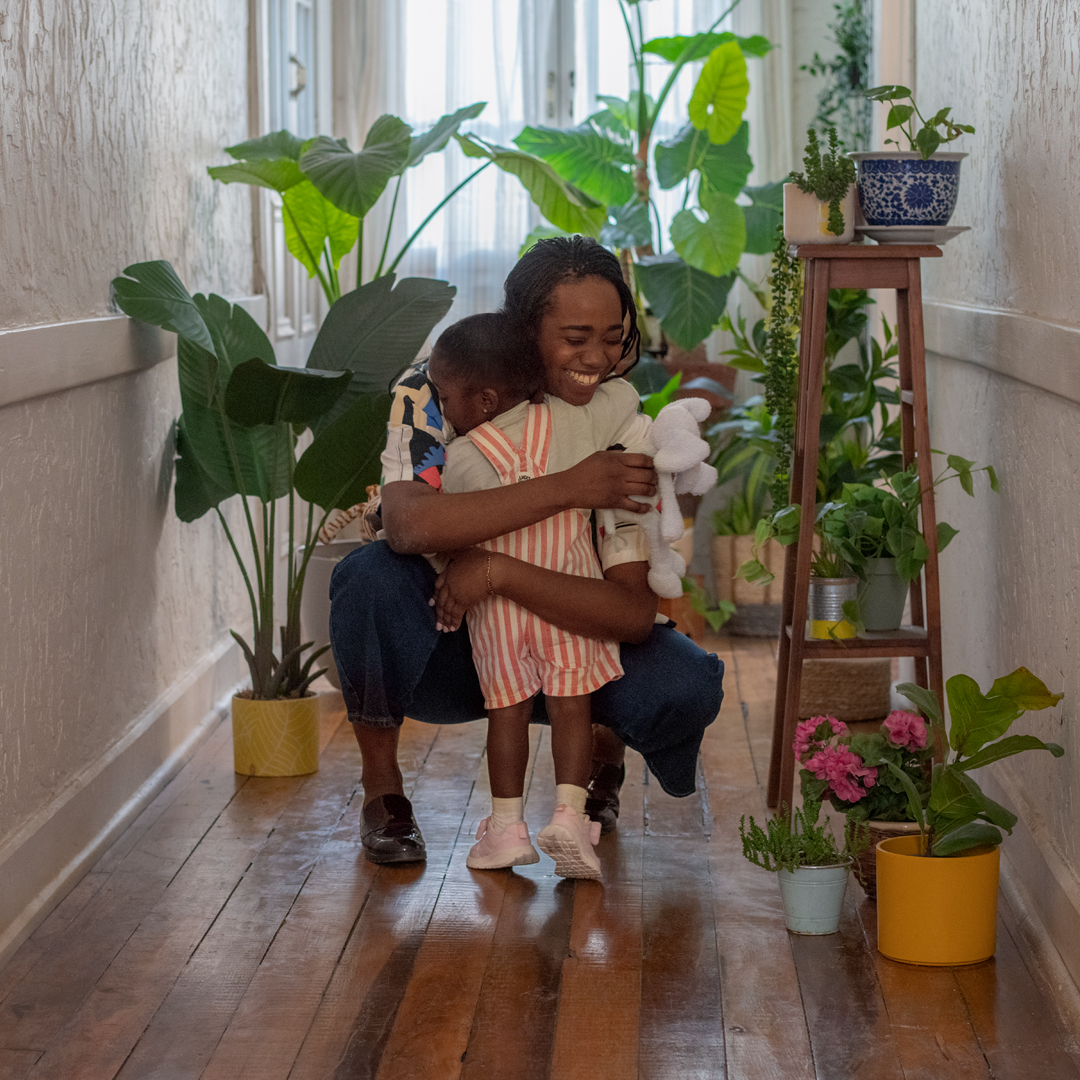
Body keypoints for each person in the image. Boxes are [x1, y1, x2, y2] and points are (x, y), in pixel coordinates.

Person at [328, 235, 725, 865]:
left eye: (613, 336)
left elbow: (627, 613)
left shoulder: (617, 416)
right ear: (525, 331)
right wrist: (574, 486)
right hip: (455, 636)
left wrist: (496, 570)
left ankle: (599, 756)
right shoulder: (440, 385)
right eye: (574, 337)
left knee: (684, 684)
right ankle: (384, 794)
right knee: (368, 576)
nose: (597, 357)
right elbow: (407, 525)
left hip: (580, 637)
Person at [431, 311, 653, 879]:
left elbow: (441, 531)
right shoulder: (570, 425)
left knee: (505, 714)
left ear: (481, 400)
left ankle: (506, 828)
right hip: (567, 593)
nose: (440, 409)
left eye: (445, 396)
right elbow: (623, 409)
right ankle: (570, 816)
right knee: (571, 708)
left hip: (498, 611)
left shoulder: (460, 459)